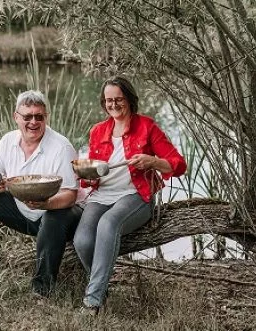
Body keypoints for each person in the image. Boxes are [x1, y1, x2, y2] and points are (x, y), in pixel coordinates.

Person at [73, 77, 186, 313]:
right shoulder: (98, 131)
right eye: (109, 100)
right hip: (101, 195)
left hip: (135, 195)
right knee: (82, 240)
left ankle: (92, 302)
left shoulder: (147, 127)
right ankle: (102, 288)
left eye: (118, 99)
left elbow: (178, 164)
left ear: (130, 100)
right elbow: (92, 175)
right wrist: (88, 175)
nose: (113, 105)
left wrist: (152, 161)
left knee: (108, 223)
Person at [0, 90, 82, 297]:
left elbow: (70, 195)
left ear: (46, 117)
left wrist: (46, 204)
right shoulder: (7, 141)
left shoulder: (62, 147)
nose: (33, 122)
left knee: (54, 217)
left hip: (57, 214)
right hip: (22, 211)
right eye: (27, 117)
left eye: (39, 116)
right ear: (16, 117)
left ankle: (42, 288)